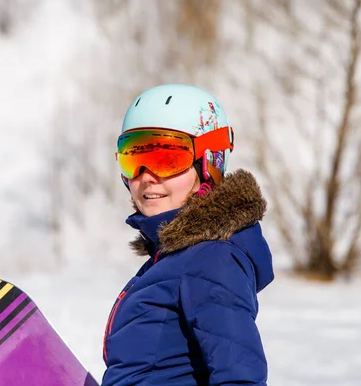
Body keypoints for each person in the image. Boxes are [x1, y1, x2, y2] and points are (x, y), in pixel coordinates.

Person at [101, 84, 274, 386]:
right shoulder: (174, 258)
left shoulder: (211, 259)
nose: (145, 176)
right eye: (133, 157)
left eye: (166, 158)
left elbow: (240, 377)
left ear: (208, 164)